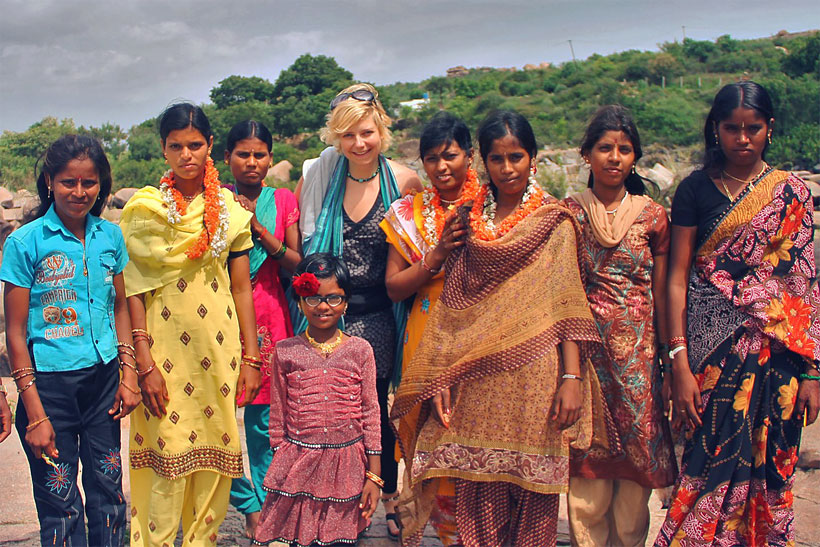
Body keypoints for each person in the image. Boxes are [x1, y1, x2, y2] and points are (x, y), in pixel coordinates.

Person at [392, 110, 608, 547]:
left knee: (534, 495)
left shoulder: (555, 220)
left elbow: (566, 305)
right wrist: (443, 374)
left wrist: (570, 379)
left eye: (517, 157)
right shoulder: (469, 220)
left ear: (533, 158)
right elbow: (454, 304)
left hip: (537, 377)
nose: (507, 169)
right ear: (483, 162)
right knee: (477, 491)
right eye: (497, 159)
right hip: (475, 376)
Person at [656, 81, 820, 546]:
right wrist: (679, 363)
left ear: (769, 130)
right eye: (732, 128)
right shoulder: (693, 190)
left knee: (773, 474)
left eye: (753, 128)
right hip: (713, 352)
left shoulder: (792, 195)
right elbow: (677, 279)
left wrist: (814, 373)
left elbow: (804, 285)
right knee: (706, 464)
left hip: (782, 359)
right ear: (716, 130)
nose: (742, 138)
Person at [121, 103, 262, 546]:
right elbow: (134, 291)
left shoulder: (231, 212)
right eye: (176, 146)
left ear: (210, 146)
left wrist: (253, 357)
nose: (187, 154)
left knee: (215, 453)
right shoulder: (145, 211)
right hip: (162, 350)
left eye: (195, 145)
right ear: (163, 150)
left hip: (217, 349)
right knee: (164, 450)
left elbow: (241, 290)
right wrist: (143, 362)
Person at [1, 134, 140, 546]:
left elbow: (120, 306)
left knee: (108, 492)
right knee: (60, 502)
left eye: (89, 182)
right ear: (49, 181)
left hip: (102, 384)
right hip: (49, 388)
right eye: (68, 182)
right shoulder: (25, 242)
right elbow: (14, 331)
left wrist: (127, 373)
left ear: (102, 184)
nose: (79, 192)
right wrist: (35, 413)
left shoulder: (110, 237)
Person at [296, 83, 422, 536]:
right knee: (331, 413)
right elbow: (304, 243)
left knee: (374, 413)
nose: (359, 144)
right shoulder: (324, 178)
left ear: (381, 129)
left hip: (381, 316)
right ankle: (338, 499)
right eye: (348, 136)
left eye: (366, 132)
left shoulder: (404, 182)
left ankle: (386, 495)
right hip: (332, 316)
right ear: (336, 137)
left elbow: (418, 247)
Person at [563, 105, 676, 546]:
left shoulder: (653, 216)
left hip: (641, 365)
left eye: (624, 149)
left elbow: (665, 294)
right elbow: (563, 295)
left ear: (635, 158)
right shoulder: (569, 215)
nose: (614, 157)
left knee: (635, 476)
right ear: (586, 154)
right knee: (587, 475)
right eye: (604, 148)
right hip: (587, 361)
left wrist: (671, 360)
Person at [380, 111, 479, 546]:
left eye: (450, 156)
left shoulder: (493, 207)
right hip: (424, 334)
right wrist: (435, 256)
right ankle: (439, 530)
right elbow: (394, 287)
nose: (441, 167)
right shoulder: (407, 213)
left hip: (479, 338)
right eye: (431, 159)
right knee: (428, 444)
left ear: (469, 155)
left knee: (472, 437)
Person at [254, 253, 382, 546]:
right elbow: (277, 420)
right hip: (299, 464)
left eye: (334, 298)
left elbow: (371, 414)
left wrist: (373, 477)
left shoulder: (360, 351)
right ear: (299, 301)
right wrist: (284, 461)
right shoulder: (285, 352)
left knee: (340, 540)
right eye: (313, 298)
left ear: (346, 302)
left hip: (347, 467)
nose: (323, 306)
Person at [223, 119, 303, 538]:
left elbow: (295, 262)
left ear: (271, 158)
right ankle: (245, 502)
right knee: (218, 415)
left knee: (263, 419)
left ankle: (268, 507)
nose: (251, 163)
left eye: (259, 155)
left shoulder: (283, 198)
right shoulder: (215, 200)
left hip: (270, 313)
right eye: (243, 154)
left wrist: (256, 229)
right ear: (227, 158)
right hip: (220, 316)